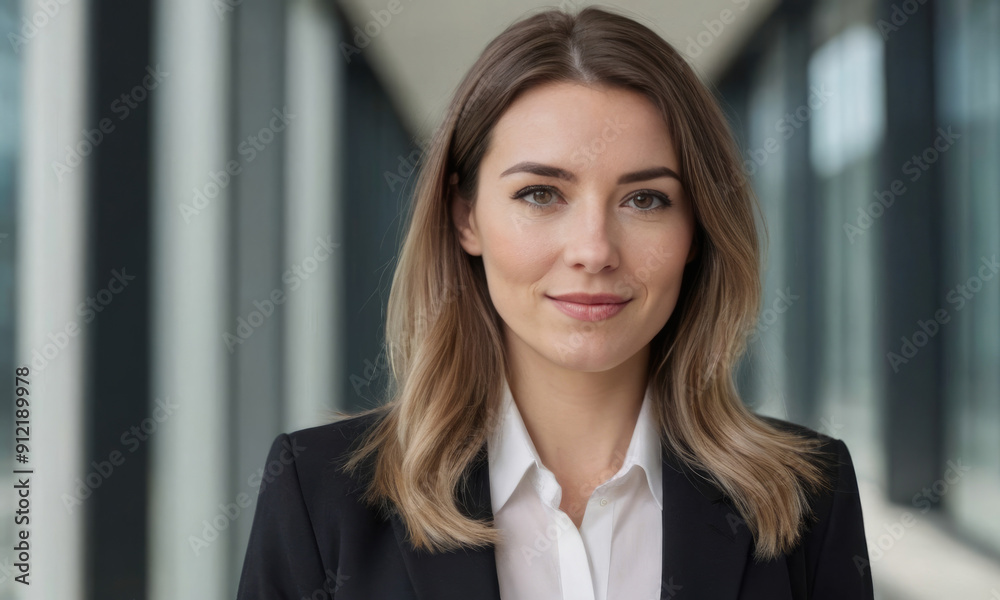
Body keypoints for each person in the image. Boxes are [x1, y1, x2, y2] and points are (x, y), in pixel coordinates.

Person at [236, 6, 874, 599]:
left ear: (696, 232)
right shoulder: (319, 494)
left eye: (645, 199)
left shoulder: (807, 494)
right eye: (541, 194)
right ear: (466, 218)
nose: (594, 250)